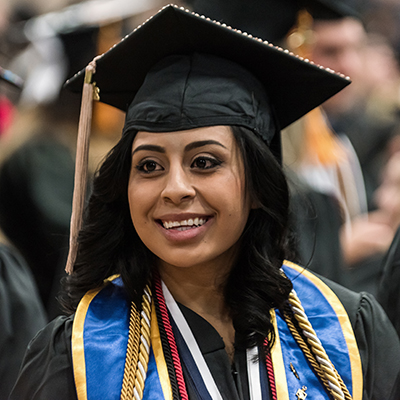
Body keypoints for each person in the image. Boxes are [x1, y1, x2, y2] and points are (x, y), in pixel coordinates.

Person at [10, 5, 400, 399]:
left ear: (258, 186)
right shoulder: (79, 351)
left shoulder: (345, 330)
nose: (175, 188)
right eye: (148, 165)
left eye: (204, 162)